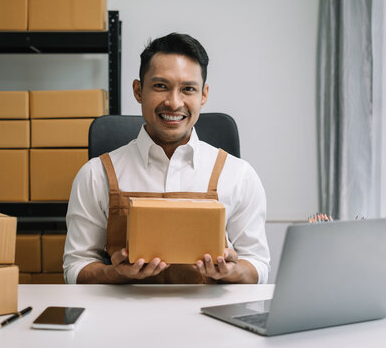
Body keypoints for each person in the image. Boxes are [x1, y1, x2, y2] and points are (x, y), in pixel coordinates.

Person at [63, 33, 270, 284]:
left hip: (209, 319)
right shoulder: (96, 174)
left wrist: (231, 271)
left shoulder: (239, 174)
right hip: (122, 319)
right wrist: (114, 273)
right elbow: (75, 268)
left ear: (203, 95)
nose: (174, 102)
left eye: (188, 89)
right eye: (160, 86)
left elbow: (258, 264)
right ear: (138, 91)